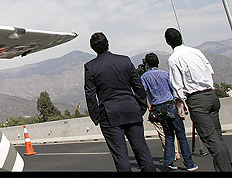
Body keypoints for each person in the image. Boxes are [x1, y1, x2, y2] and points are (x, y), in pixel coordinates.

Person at [84, 32, 155, 172]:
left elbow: (90, 95)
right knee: (142, 151)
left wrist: (96, 117)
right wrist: (141, 107)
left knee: (120, 155)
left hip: (110, 114)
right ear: (107, 43)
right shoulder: (125, 60)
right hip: (131, 109)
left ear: (92, 47)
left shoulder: (91, 67)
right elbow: (138, 86)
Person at [165, 27, 232, 172]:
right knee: (218, 137)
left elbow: (177, 85)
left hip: (197, 100)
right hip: (211, 96)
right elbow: (210, 70)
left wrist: (179, 105)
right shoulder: (196, 52)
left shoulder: (174, 59)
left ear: (167, 42)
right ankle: (226, 165)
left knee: (212, 140)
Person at [140, 52, 198, 171]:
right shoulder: (165, 74)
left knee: (168, 135)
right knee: (181, 135)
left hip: (158, 108)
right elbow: (175, 91)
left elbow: (143, 92)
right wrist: (180, 105)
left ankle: (168, 161)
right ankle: (189, 163)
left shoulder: (144, 77)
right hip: (170, 105)